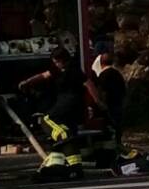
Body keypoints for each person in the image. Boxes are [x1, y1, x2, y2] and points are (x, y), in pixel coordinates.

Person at [19, 46, 94, 179]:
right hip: (74, 109)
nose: (55, 64)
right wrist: (28, 82)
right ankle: (72, 166)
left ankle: (63, 136)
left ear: (61, 60)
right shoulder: (64, 70)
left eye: (56, 61)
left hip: (66, 105)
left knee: (47, 119)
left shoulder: (72, 71)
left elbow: (89, 85)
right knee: (66, 135)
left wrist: (26, 83)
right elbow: (44, 75)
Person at [91, 50, 128, 168]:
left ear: (101, 63)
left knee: (107, 134)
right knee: (117, 133)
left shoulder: (102, 76)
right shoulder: (118, 74)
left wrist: (101, 105)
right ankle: (117, 154)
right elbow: (124, 91)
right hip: (119, 107)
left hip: (109, 108)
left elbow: (102, 93)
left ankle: (106, 159)